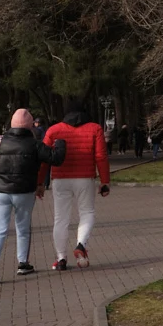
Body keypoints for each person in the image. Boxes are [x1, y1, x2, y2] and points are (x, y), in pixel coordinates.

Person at [0, 109, 67, 284]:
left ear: (11, 125)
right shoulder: (35, 144)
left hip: (0, 192)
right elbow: (56, 158)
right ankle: (23, 263)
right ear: (30, 127)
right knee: (23, 228)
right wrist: (60, 143)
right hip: (25, 193)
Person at [43, 107, 110, 271]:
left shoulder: (54, 130)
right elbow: (101, 156)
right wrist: (105, 181)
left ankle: (60, 259)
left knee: (60, 219)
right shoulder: (95, 129)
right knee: (87, 212)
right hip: (85, 178)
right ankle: (81, 244)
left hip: (60, 179)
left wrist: (39, 183)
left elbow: (44, 158)